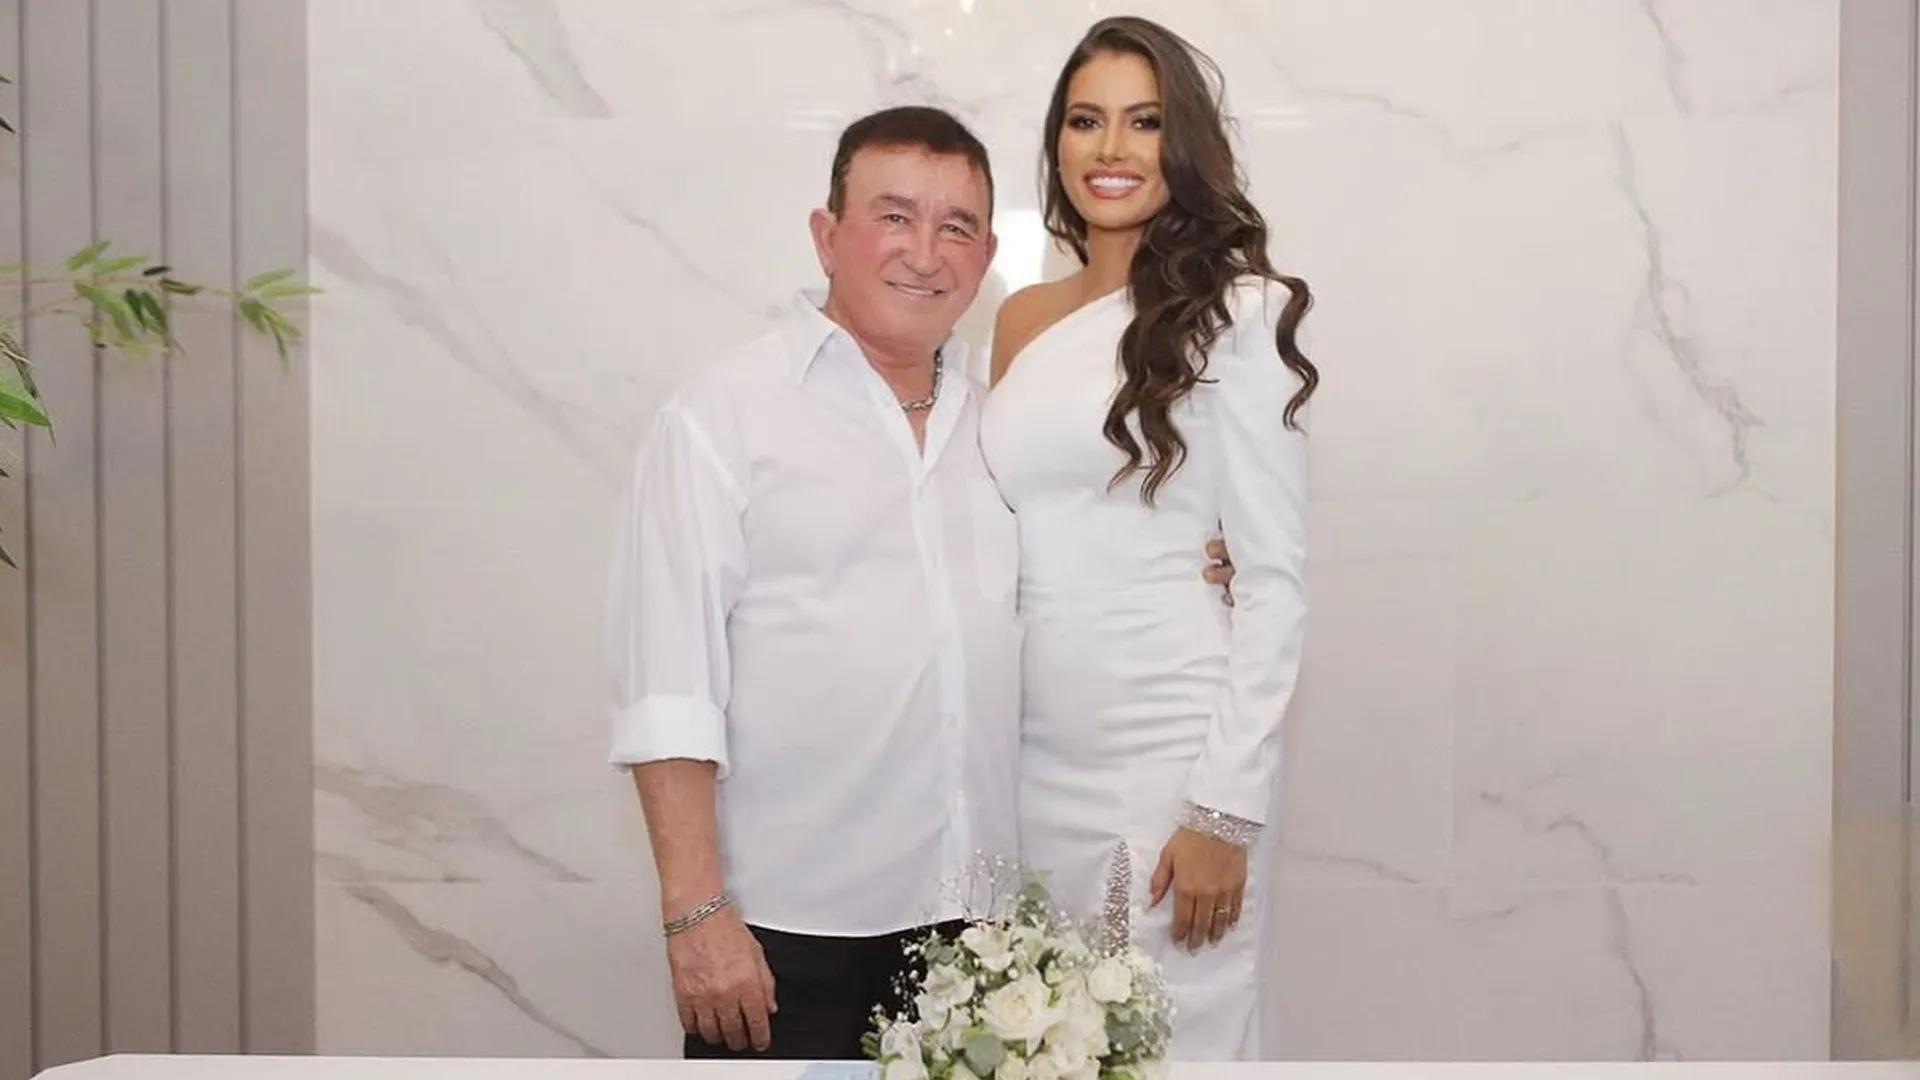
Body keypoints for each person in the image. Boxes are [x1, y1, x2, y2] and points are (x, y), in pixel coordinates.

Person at [605, 104, 1235, 1062]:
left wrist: (1214, 559)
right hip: (783, 934)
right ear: (827, 236)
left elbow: (1083, 570)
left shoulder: (1001, 429)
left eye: (956, 227)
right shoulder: (721, 417)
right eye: (894, 217)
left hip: (978, 940)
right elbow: (667, 684)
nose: (925, 253)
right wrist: (696, 914)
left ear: (985, 259)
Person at [981, 16, 1317, 1061]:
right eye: (1086, 121)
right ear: (1057, 142)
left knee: (1173, 1047)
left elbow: (1274, 581)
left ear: (1185, 143)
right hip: (1028, 761)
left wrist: (1224, 811)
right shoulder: (1021, 319)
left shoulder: (1239, 313)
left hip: (1170, 755)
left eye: (1145, 121)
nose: (1112, 149)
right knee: (1033, 1049)